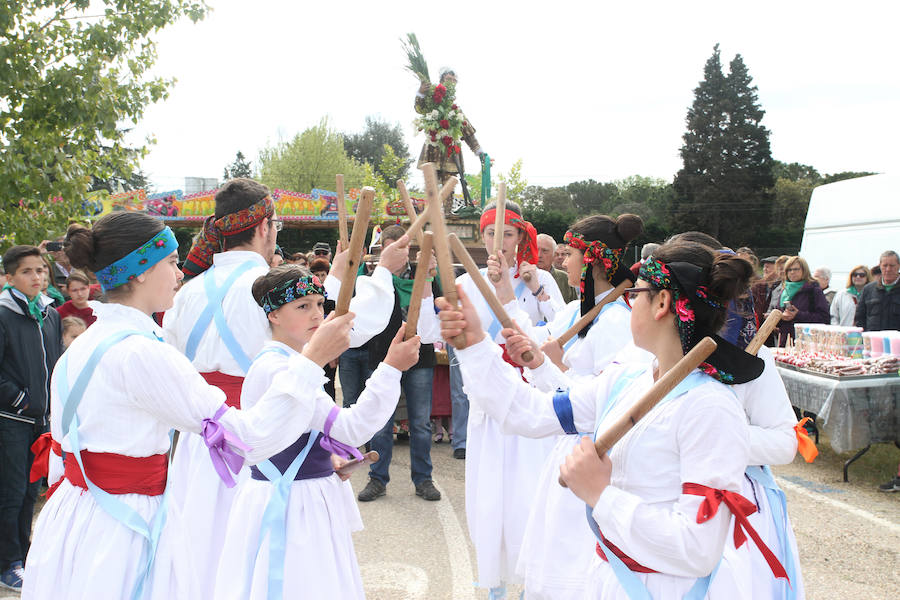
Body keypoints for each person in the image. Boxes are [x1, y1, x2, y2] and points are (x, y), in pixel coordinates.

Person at [21, 212, 358, 599]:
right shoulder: (142, 353)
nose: (179, 273)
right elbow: (248, 440)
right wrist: (310, 362)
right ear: (141, 271)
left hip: (72, 519)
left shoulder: (83, 345)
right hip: (125, 529)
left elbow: (63, 456)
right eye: (170, 262)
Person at [438, 241, 789, 600]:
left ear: (662, 304)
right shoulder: (627, 381)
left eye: (637, 294)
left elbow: (697, 548)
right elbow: (528, 413)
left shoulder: (710, 407)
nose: (629, 302)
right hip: (608, 581)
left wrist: (601, 496)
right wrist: (474, 344)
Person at [214, 265, 419, 599]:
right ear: (274, 315)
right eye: (303, 306)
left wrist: (326, 452)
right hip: (293, 501)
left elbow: (307, 432)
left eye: (319, 305)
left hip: (302, 494)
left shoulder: (291, 362)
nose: (316, 315)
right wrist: (391, 368)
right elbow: (351, 428)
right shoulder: (280, 366)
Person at [502, 214, 646, 599]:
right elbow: (533, 340)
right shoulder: (579, 311)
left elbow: (607, 405)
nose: (563, 261)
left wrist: (552, 366)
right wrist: (503, 292)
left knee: (574, 562)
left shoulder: (615, 321)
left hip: (592, 453)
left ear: (595, 261)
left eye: (570, 254)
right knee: (554, 554)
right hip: (565, 446)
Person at [448, 200, 563, 596]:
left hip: (530, 398)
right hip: (489, 405)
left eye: (507, 234)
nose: (498, 242)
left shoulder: (540, 281)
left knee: (527, 495)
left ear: (520, 237)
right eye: (490, 234)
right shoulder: (465, 283)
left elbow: (562, 332)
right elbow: (445, 334)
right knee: (490, 496)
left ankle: (531, 579)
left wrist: (532, 287)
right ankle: (495, 583)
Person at [353, 226, 443, 503]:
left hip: (419, 356)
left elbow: (439, 308)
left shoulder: (424, 272)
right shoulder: (373, 279)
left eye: (401, 248)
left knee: (420, 422)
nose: (398, 254)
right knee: (380, 420)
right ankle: (377, 479)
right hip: (383, 356)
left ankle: (423, 479)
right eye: (390, 248)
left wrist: (429, 276)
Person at [0, 246, 63, 592]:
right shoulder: (4, 314)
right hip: (12, 419)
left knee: (30, 493)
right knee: (10, 493)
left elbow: (55, 365)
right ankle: (7, 562)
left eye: (41, 270)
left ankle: (22, 557)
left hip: (43, 421)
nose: (37, 277)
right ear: (10, 278)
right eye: (27, 271)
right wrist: (21, 400)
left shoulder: (49, 313)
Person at [767, 256, 830, 346]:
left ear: (804, 271)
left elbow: (824, 318)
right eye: (789, 270)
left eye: (796, 269)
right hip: (785, 341)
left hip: (807, 342)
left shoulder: (813, 290)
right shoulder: (784, 290)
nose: (792, 272)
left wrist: (798, 315)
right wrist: (781, 317)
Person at [855, 250, 900, 332]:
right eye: (885, 265)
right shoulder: (868, 289)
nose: (888, 269)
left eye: (892, 266)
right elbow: (859, 319)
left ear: (898, 266)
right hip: (873, 342)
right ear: (880, 266)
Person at [537, 233, 577, 304]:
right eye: (536, 250)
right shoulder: (521, 277)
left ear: (553, 254)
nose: (539, 255)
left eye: (544, 251)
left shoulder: (565, 279)